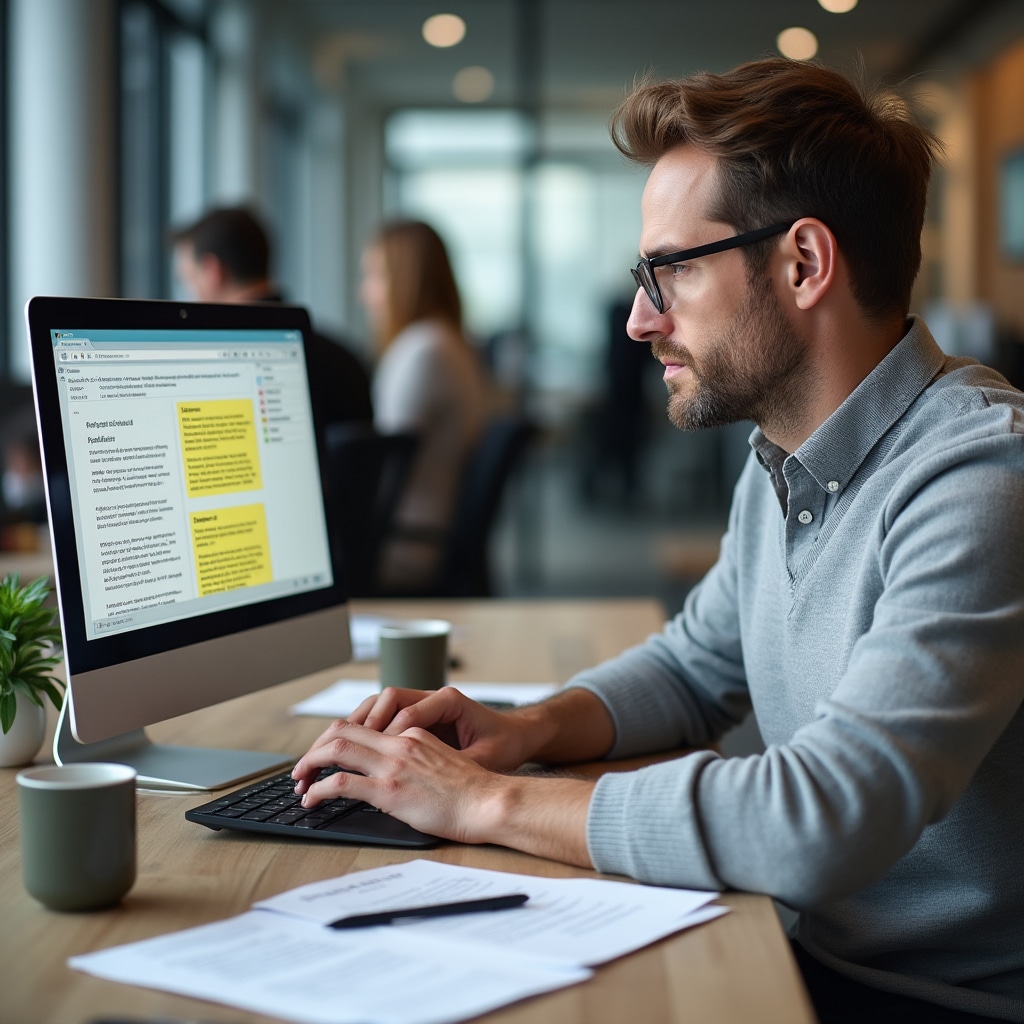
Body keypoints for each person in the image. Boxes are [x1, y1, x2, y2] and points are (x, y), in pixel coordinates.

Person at [293, 58, 1024, 1023]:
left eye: (671, 269)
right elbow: (696, 665)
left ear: (804, 263)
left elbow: (825, 818)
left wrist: (485, 803)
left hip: (933, 997)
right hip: (804, 942)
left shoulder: (981, 477)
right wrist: (525, 730)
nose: (642, 319)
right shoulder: (785, 452)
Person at [170, 206, 374, 445]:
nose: (189, 296)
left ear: (212, 272)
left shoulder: (223, 372)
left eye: (188, 281)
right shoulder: (344, 356)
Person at [359, 219, 488, 591]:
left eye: (375, 276)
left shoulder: (422, 351)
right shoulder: (448, 343)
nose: (365, 293)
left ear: (405, 280)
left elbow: (383, 470)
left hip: (406, 546)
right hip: (427, 532)